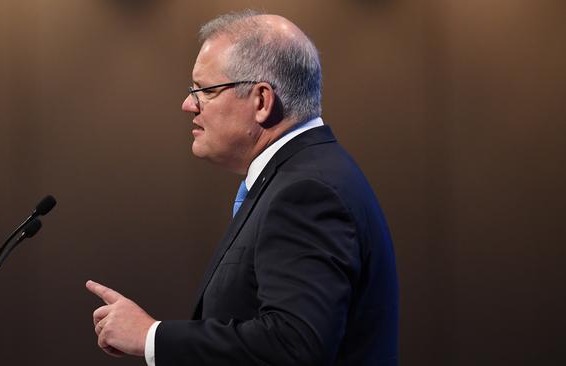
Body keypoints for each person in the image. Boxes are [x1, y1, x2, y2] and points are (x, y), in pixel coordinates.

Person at [86, 10, 398, 366]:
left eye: (205, 90)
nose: (188, 105)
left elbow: (293, 345)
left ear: (262, 101)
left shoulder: (307, 192)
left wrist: (151, 336)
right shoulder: (305, 175)